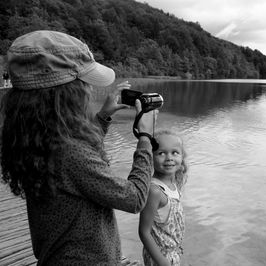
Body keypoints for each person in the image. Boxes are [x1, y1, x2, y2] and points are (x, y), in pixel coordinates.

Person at [0, 30, 157, 265]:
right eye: (84, 83)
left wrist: (103, 116)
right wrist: (145, 138)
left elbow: (78, 159)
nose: (89, 90)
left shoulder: (32, 138)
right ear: (65, 94)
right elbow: (134, 198)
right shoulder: (70, 151)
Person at [139, 129, 188, 266]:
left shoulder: (173, 183)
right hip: (159, 258)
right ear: (151, 157)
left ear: (182, 156)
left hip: (173, 253)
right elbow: (144, 232)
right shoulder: (155, 191)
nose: (169, 158)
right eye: (161, 153)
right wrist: (163, 263)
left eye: (175, 152)